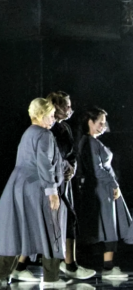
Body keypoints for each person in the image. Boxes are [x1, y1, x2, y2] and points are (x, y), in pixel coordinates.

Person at [0, 97, 68, 287]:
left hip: (19, 186)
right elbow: (44, 163)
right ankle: (52, 278)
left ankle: (0, 275)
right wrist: (52, 191)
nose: (53, 119)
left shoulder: (28, 132)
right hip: (37, 187)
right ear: (41, 115)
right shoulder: (44, 135)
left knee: (17, 231)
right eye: (51, 115)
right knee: (51, 227)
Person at [76, 107, 133, 280]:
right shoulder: (89, 142)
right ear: (90, 122)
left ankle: (109, 265)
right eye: (100, 123)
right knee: (109, 226)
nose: (103, 126)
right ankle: (108, 267)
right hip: (102, 188)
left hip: (105, 188)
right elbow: (97, 169)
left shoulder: (92, 142)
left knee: (110, 226)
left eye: (104, 123)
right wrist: (114, 184)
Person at [47, 92, 96, 280]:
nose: (69, 109)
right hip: (51, 181)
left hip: (64, 181)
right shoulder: (47, 128)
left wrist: (72, 168)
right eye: (66, 106)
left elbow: (71, 154)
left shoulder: (65, 127)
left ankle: (70, 263)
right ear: (56, 106)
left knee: (69, 219)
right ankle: (21, 265)